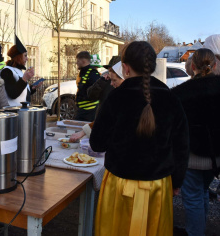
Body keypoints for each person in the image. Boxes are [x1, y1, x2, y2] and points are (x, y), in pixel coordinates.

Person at [90, 41, 189, 236]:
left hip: (120, 186)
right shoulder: (171, 98)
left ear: (125, 68)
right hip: (158, 187)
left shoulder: (116, 98)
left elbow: (97, 143)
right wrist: (177, 181)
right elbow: (182, 145)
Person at [172, 48, 220, 236]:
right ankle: (198, 229)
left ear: (192, 67)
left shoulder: (180, 93)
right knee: (202, 193)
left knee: (193, 198)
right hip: (216, 156)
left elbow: (175, 128)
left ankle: (195, 233)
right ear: (215, 65)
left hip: (191, 157)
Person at [70, 60, 124, 142]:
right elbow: (91, 95)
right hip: (100, 126)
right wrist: (101, 81)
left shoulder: (126, 95)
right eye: (109, 69)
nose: (109, 72)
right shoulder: (105, 81)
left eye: (111, 69)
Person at [0, 36, 41, 106]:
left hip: (21, 112)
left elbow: (22, 94)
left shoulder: (18, 71)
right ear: (18, 57)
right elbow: (13, 94)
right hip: (12, 112)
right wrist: (24, 78)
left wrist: (32, 88)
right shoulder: (6, 71)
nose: (27, 59)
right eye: (25, 56)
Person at [74, 51, 101, 122]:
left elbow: (97, 91)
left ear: (83, 61)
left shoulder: (92, 73)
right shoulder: (84, 72)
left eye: (78, 61)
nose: (76, 63)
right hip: (83, 110)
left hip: (89, 112)